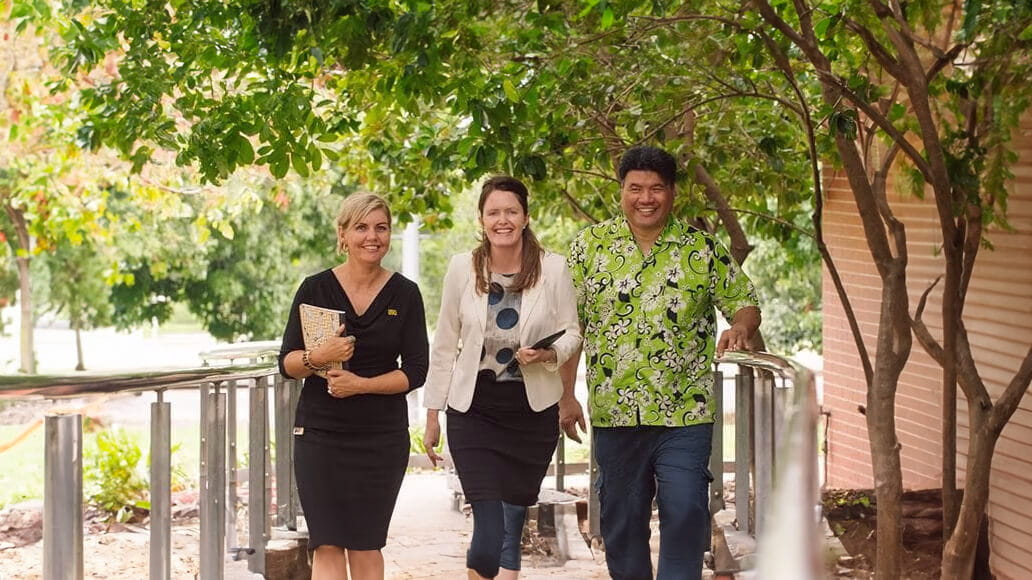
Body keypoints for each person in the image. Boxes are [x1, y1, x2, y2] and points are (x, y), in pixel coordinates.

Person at [565, 146, 761, 580]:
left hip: (685, 412)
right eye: (635, 188)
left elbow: (744, 301)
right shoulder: (589, 248)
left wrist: (741, 327)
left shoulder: (702, 249)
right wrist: (565, 396)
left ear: (672, 193)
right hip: (615, 412)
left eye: (656, 188)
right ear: (622, 191)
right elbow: (570, 327)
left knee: (687, 509)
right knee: (621, 521)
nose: (646, 197)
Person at [422, 175, 585, 580]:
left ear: (526, 217)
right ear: (481, 219)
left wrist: (548, 353)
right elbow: (444, 343)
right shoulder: (462, 268)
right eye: (493, 212)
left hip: (531, 412)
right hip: (474, 409)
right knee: (490, 527)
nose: (503, 220)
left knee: (513, 518)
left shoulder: (553, 268)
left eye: (511, 211)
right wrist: (431, 414)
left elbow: (573, 333)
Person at [278, 192, 429, 580]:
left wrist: (360, 384)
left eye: (381, 228)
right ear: (342, 234)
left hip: (380, 439)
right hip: (320, 435)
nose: (372, 237)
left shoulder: (406, 294)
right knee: (326, 543)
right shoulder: (314, 289)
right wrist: (321, 355)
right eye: (361, 227)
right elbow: (288, 364)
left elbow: (416, 371)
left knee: (365, 544)